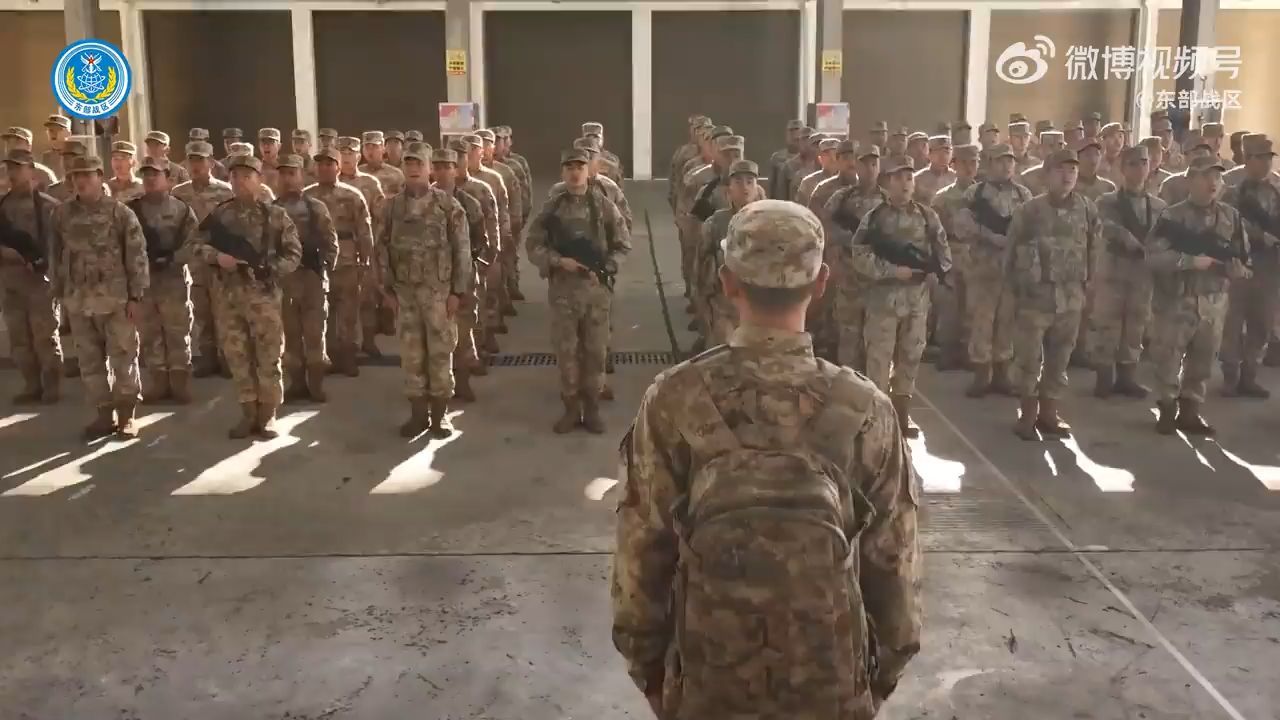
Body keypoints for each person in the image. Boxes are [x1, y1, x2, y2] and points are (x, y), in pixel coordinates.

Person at [611, 199, 920, 720]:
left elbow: (642, 548)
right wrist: (879, 675)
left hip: (711, 680)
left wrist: (651, 673)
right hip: (830, 682)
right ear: (821, 283)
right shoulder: (866, 408)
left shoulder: (675, 398)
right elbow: (894, 561)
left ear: (727, 282)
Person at [192, 153, 302, 439]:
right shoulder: (220, 215)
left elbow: (293, 253)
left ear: (259, 180)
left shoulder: (275, 215)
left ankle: (268, 414)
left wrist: (271, 269)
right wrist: (217, 257)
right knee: (237, 357)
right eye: (234, 176)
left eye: (246, 176)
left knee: (268, 357)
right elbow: (196, 244)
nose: (239, 181)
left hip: (264, 298)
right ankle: (248, 412)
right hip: (228, 298)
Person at [526, 148, 630, 434]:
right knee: (566, 352)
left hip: (596, 292)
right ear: (562, 172)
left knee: (595, 352)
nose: (574, 173)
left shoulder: (603, 205)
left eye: (580, 167)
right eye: (569, 167)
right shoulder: (552, 208)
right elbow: (533, 245)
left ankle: (592, 409)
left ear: (588, 171)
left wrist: (606, 267)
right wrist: (559, 261)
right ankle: (571, 408)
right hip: (563, 292)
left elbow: (623, 244)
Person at [849, 155, 950, 438]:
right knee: (878, 361)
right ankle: (878, 420)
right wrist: (893, 271)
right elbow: (859, 255)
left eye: (909, 178)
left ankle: (902, 415)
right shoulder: (875, 217)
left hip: (917, 300)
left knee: (910, 357)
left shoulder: (928, 216)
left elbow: (943, 252)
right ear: (888, 181)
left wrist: (935, 273)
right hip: (883, 300)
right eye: (898, 178)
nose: (905, 184)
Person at [1147, 156, 1249, 435]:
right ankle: (1167, 409)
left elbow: (1242, 258)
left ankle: (1191, 412)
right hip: (1176, 300)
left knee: (1203, 360)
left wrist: (1237, 270)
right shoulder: (1171, 217)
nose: (1212, 182)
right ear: (1190, 180)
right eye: (1205, 176)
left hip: (1213, 301)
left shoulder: (1231, 216)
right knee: (1168, 359)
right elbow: (1153, 257)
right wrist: (1189, 261)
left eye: (1217, 177)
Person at [1004, 148, 1101, 440]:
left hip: (1070, 298)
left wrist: (1090, 287)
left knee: (1060, 357)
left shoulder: (1087, 209)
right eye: (1061, 170)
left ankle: (1049, 413)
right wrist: (1012, 294)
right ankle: (1027, 414)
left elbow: (1094, 249)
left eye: (1072, 170)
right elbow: (1010, 254)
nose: (1067, 176)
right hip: (1035, 299)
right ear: (1046, 174)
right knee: (1029, 359)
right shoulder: (1029, 211)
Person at [49, 155, 149, 438]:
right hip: (78, 300)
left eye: (86, 175)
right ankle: (103, 415)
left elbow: (136, 256)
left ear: (99, 176)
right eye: (75, 175)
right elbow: (55, 254)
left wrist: (136, 297)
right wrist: (58, 292)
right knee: (89, 362)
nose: (80, 180)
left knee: (123, 358)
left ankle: (127, 416)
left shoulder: (120, 213)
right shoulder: (62, 214)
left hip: (115, 300)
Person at [380, 144, 469, 438]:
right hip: (405, 295)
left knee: (440, 354)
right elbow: (380, 248)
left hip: (439, 295)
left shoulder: (447, 206)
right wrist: (386, 289)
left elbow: (461, 251)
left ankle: (441, 416)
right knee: (411, 356)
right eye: (409, 163)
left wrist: (457, 292)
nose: (414, 168)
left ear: (430, 168)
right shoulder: (391, 207)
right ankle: (418, 415)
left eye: (419, 163)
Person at [956, 144, 1033, 397]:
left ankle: (1002, 373)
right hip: (983, 267)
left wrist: (1014, 243)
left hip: (1011, 268)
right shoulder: (976, 193)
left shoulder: (1023, 194)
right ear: (990, 163)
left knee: (1007, 320)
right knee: (982, 321)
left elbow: (1033, 227)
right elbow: (962, 225)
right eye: (1001, 161)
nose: (1007, 165)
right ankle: (981, 374)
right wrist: (989, 236)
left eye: (1010, 161)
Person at [1091, 145, 1165, 399]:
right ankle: (1104, 379)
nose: (1140, 169)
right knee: (1107, 324)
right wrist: (1124, 236)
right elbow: (1103, 225)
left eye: (1144, 163)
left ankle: (1127, 378)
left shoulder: (1158, 205)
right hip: (1113, 270)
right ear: (1122, 169)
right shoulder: (1107, 201)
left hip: (1143, 273)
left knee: (1136, 324)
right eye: (1133, 164)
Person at [129, 156, 199, 405]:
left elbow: (194, 241)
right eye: (146, 174)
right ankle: (158, 381)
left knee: (177, 331)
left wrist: (172, 259)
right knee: (150, 333)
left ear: (168, 178)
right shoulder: (131, 210)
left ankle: (180, 382)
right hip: (144, 281)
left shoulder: (181, 210)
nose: (150, 179)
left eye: (155, 174)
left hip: (173, 280)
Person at [1219, 133, 1279, 399]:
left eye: (1269, 158)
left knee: (1262, 322)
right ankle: (1230, 376)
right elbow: (1227, 220)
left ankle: (1250, 376)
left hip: (1269, 266)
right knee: (1232, 322)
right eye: (1261, 158)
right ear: (1248, 158)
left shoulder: (1276, 188)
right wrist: (1259, 235)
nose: (1267, 163)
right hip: (1239, 261)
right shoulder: (1232, 187)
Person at [0, 149, 62, 403]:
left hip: (39, 282)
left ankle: (51, 385)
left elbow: (59, 246)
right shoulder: (2, 206)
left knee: (44, 336)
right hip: (10, 281)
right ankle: (31, 384)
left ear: (31, 171)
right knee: (19, 338)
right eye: (10, 168)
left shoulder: (48, 207)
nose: (13, 173)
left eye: (18, 167)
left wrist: (41, 262)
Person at [275, 154, 338, 403]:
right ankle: (297, 383)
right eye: (283, 174)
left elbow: (331, 243)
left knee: (314, 334)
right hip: (285, 281)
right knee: (290, 335)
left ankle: (316, 385)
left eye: (292, 173)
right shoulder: (271, 209)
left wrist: (323, 269)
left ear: (302, 175)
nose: (287, 179)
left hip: (311, 279)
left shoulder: (315, 207)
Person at [308, 145, 375, 376]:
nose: (324, 168)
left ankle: (348, 357)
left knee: (348, 312)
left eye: (329, 164)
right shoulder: (307, 196)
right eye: (320, 164)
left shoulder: (352, 195)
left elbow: (364, 230)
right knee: (322, 312)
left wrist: (366, 259)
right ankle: (326, 357)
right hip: (317, 262)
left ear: (338, 168)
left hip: (346, 261)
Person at [172, 141, 236, 379]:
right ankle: (207, 357)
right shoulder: (179, 193)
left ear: (211, 163)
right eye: (192, 160)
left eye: (200, 160)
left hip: (219, 260)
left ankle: (227, 358)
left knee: (224, 311)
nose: (196, 165)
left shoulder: (226, 191)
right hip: (193, 261)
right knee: (200, 312)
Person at [430, 146, 488, 404]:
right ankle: (436, 387)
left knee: (462, 333)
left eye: (447, 167)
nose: (442, 172)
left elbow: (480, 239)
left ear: (456, 170)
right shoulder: (422, 201)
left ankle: (462, 383)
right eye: (438, 167)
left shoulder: (468, 203)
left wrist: (463, 264)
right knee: (433, 335)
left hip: (462, 277)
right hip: (430, 279)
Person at [825, 145, 888, 370]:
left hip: (878, 281)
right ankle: (848, 383)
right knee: (849, 336)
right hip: (849, 276)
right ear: (857, 166)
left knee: (878, 340)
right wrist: (850, 240)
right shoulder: (841, 198)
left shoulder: (888, 200)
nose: (870, 169)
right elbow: (825, 228)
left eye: (874, 164)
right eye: (865, 164)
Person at [449, 137, 502, 372]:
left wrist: (491, 254)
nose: (459, 161)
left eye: (462, 156)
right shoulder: (435, 191)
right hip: (444, 263)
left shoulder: (480, 188)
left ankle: (477, 350)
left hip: (473, 259)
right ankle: (460, 359)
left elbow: (492, 222)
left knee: (474, 307)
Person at [696, 160, 760, 346]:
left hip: (758, 307)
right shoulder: (716, 223)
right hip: (724, 306)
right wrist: (705, 304)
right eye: (738, 182)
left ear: (757, 189)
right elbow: (702, 267)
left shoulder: (769, 221)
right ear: (728, 190)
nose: (744, 187)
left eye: (750, 182)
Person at [335, 136, 387, 360]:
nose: (346, 157)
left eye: (351, 153)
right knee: (340, 302)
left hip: (365, 246)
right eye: (342, 153)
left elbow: (381, 216)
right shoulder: (327, 183)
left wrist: (375, 242)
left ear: (358, 156)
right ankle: (343, 346)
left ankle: (368, 340)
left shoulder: (370, 183)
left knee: (367, 297)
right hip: (338, 251)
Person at [930, 143, 982, 371]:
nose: (969, 168)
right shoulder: (942, 197)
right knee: (949, 306)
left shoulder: (984, 195)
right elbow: (934, 232)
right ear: (955, 165)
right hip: (951, 253)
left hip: (976, 255)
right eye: (964, 163)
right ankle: (948, 352)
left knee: (974, 306)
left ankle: (970, 353)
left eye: (974, 163)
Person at [794, 138, 840, 206]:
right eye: (827, 155)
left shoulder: (851, 180)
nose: (832, 158)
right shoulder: (808, 182)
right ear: (820, 159)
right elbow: (800, 207)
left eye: (835, 154)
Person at [359, 131, 405, 198]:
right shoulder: (356, 172)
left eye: (374, 146)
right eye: (367, 147)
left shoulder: (396, 174)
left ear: (383, 149)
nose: (370, 150)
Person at [767, 119, 804, 200]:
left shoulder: (807, 157)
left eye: (797, 130)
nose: (794, 134)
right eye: (791, 131)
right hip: (781, 200)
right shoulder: (777, 157)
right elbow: (771, 184)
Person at [913, 135, 955, 203]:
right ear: (929, 154)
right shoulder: (917, 179)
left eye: (947, 152)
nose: (944, 157)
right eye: (939, 153)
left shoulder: (956, 177)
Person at [40, 114, 72, 180]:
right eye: (50, 130)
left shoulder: (77, 156)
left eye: (59, 129)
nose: (54, 133)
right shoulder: (46, 157)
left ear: (68, 133)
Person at [257, 128, 283, 195]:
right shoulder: (255, 170)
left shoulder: (285, 169)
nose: (266, 146)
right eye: (263, 143)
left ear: (279, 146)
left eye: (271, 143)